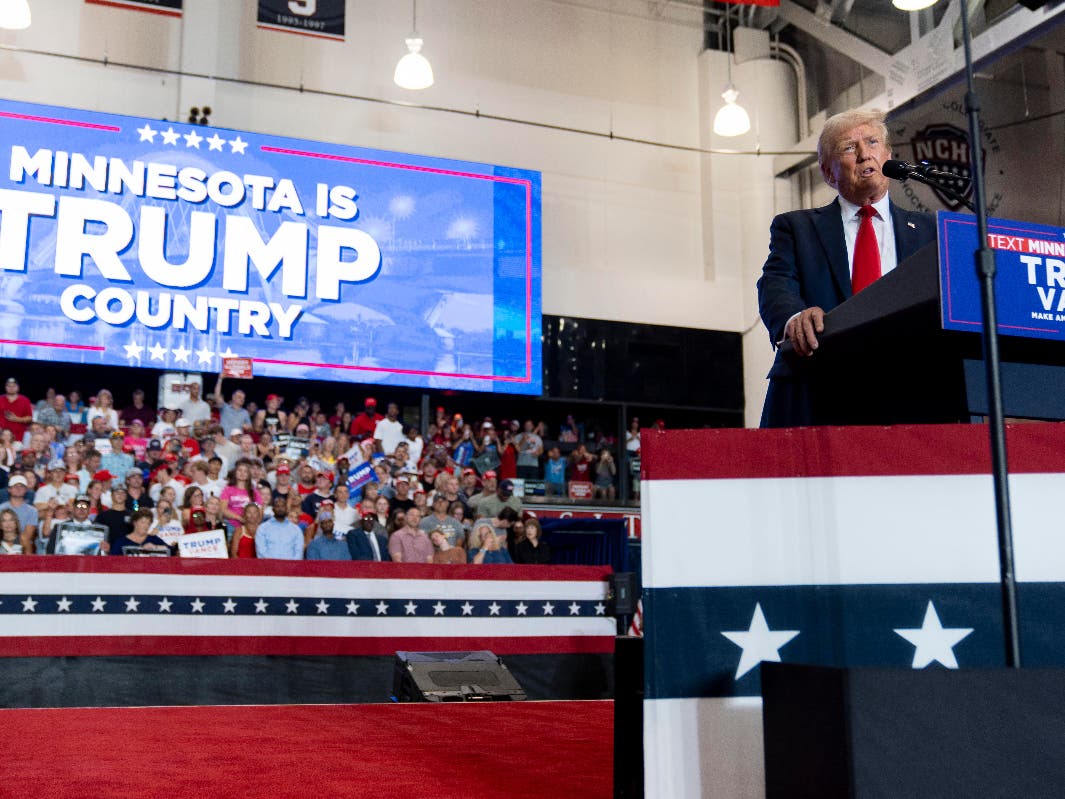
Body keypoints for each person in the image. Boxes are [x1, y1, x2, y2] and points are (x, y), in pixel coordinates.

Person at [756, 107, 937, 428]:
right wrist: (795, 318)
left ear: (889, 156)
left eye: (872, 143)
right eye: (849, 148)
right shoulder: (796, 228)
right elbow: (775, 284)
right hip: (818, 390)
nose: (865, 154)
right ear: (828, 173)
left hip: (910, 394)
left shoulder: (930, 231)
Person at [255, 494, 304, 559]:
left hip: (291, 567)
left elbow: (298, 553)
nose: (280, 509)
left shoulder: (296, 529)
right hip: (268, 567)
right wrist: (273, 566)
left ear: (287, 509)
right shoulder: (263, 528)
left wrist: (291, 566)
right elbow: (261, 552)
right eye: (277, 506)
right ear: (273, 509)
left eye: (283, 506)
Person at [0, 475, 38, 554]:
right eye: (15, 486)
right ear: (9, 489)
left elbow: (27, 536)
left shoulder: (32, 511)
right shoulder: (1, 508)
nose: (18, 489)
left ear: (26, 490)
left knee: (26, 541)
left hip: (22, 547)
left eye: (22, 486)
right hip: (2, 543)